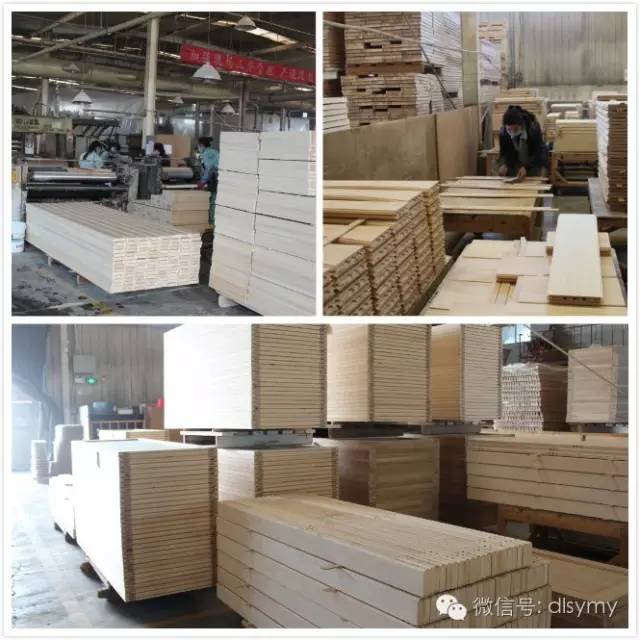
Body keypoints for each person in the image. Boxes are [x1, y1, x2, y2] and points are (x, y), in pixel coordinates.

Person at [496, 105, 548, 181]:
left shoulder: (533, 128)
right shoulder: (503, 133)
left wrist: (526, 167)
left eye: (516, 129)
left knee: (533, 180)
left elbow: (538, 152)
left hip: (534, 159)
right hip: (517, 160)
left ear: (522, 125)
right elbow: (504, 152)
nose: (512, 132)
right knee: (512, 179)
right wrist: (505, 164)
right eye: (509, 129)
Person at [196, 136, 219, 225]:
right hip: (217, 179)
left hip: (215, 180)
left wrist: (202, 182)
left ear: (201, 145)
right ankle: (212, 224)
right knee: (214, 203)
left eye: (198, 146)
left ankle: (212, 224)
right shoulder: (214, 151)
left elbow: (209, 169)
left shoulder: (207, 153)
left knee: (212, 204)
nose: (198, 148)